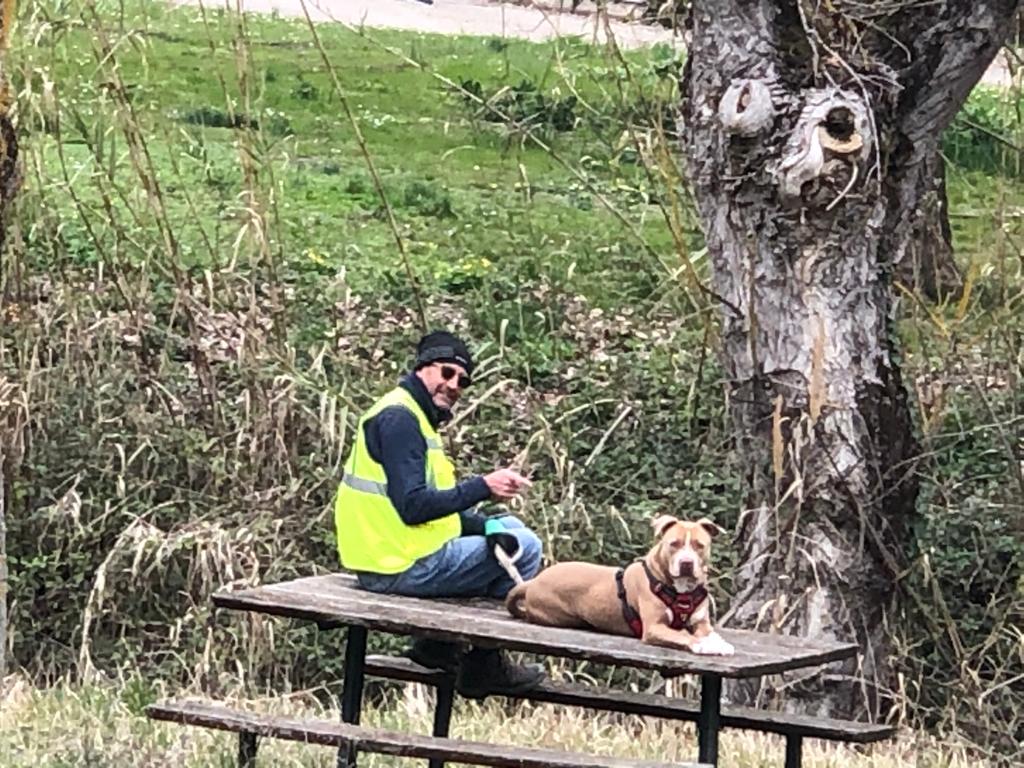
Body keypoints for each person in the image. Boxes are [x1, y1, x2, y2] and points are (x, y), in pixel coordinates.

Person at [334, 330, 545, 698]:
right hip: (395, 566)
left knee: (509, 528)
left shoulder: (411, 415)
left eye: (462, 380)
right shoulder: (400, 420)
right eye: (447, 372)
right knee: (526, 547)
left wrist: (487, 524)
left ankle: (437, 646)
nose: (453, 385)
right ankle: (485, 663)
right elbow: (414, 507)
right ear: (422, 368)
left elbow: (432, 511)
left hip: (396, 554)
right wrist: (483, 486)